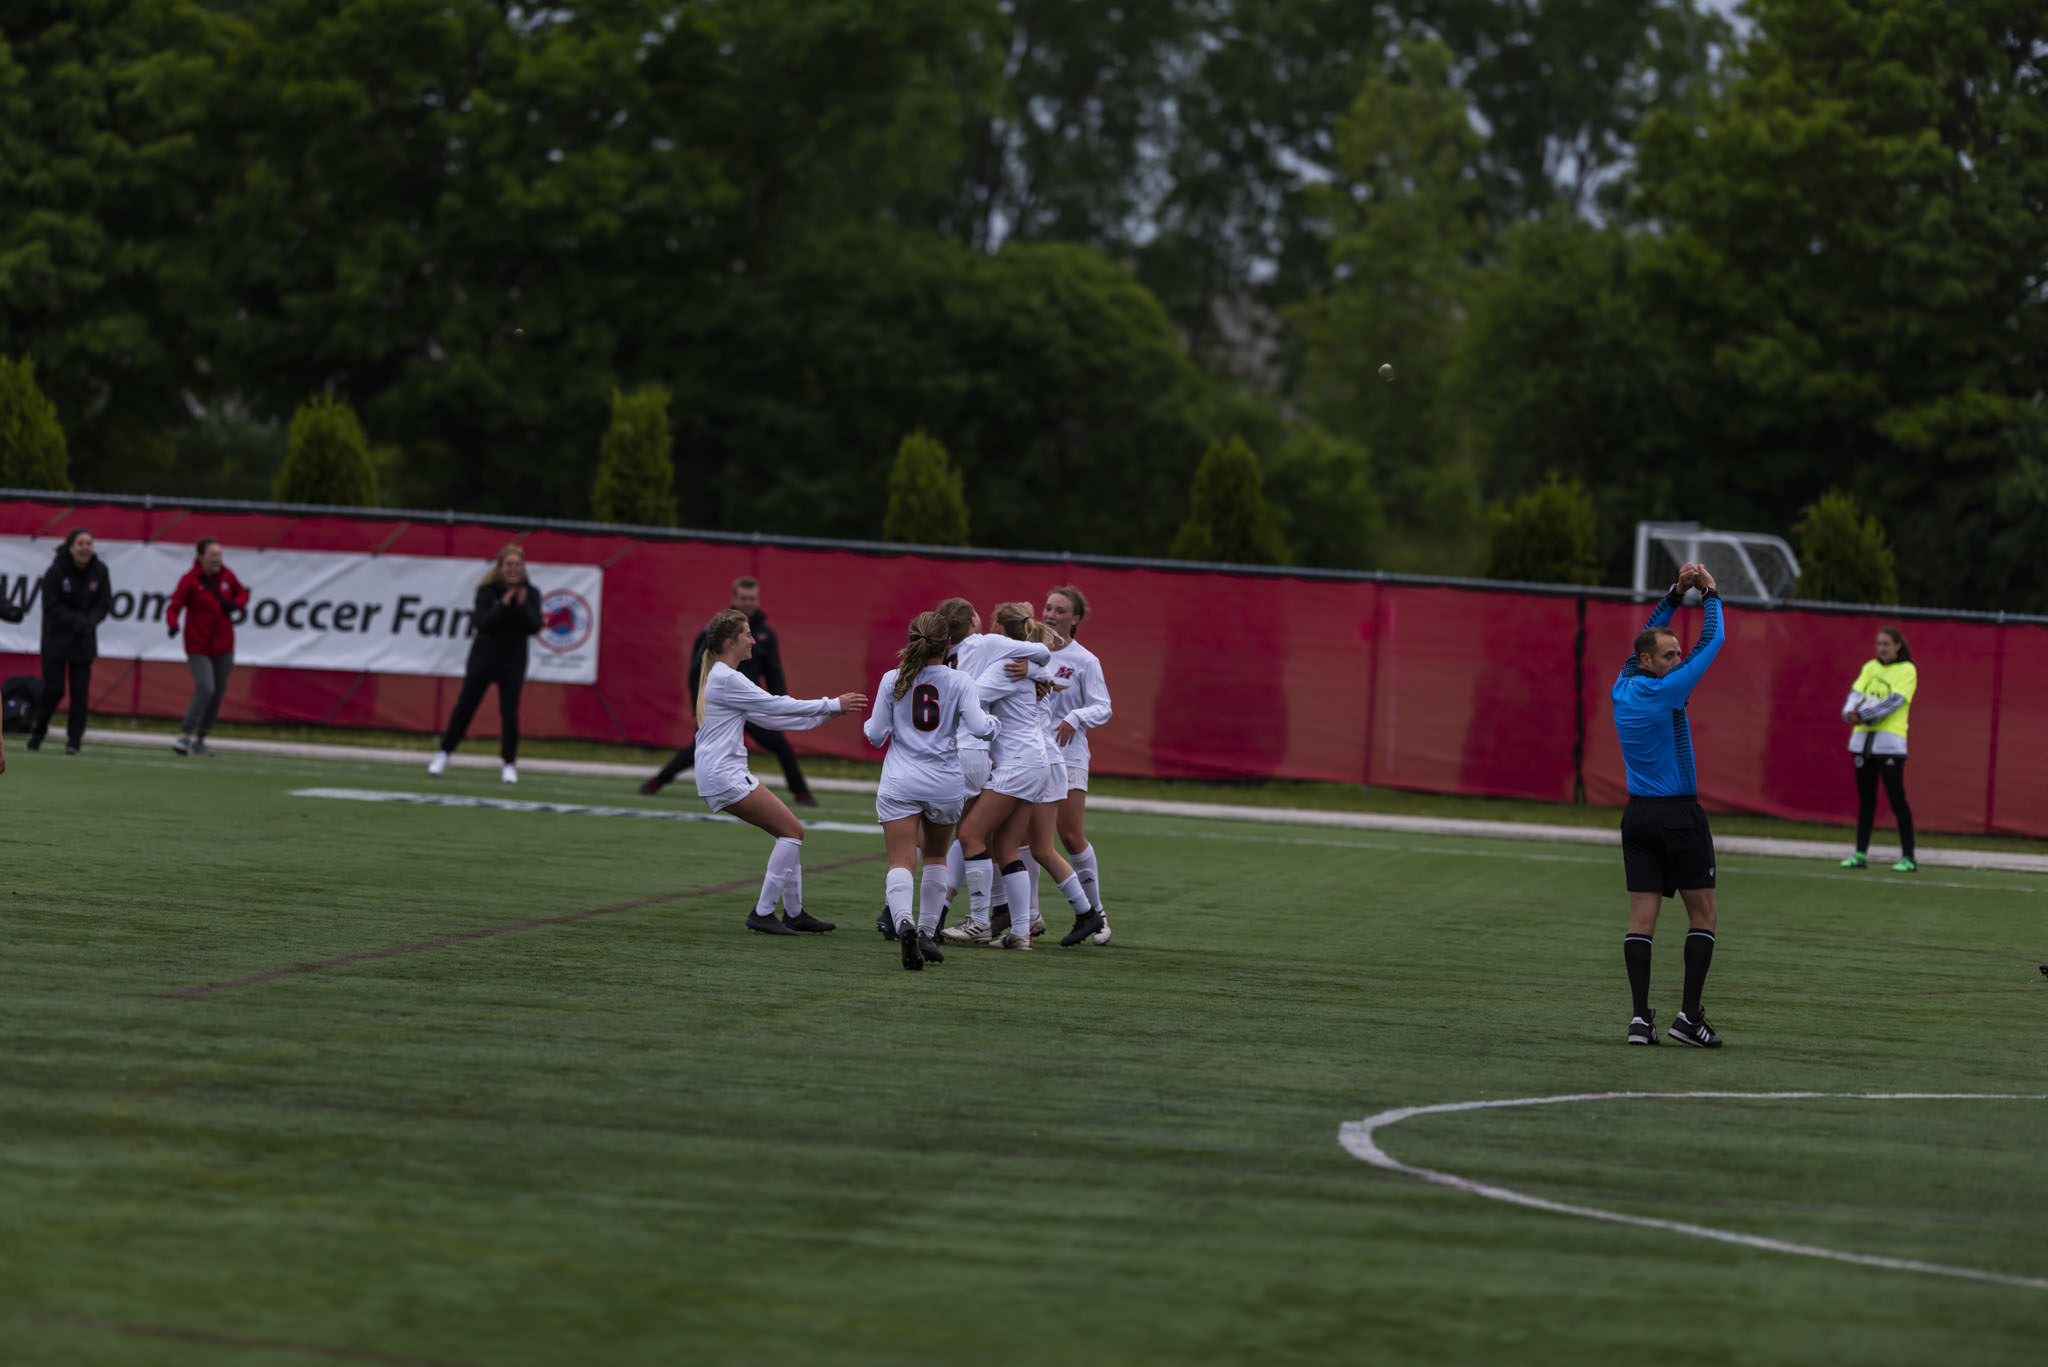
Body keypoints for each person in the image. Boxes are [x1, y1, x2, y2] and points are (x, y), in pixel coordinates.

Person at [691, 607, 866, 936]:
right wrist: (831, 704)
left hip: (719, 774)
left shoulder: (721, 676)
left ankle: (795, 913)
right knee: (792, 832)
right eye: (747, 634)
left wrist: (828, 715)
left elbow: (772, 719)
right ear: (731, 641)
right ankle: (763, 912)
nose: (753, 640)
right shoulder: (728, 678)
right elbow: (776, 705)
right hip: (724, 776)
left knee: (788, 833)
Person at [1612, 563, 1728, 1048]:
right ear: (1647, 663)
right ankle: (1689, 1017)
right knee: (1703, 916)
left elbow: (1645, 636)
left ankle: (1640, 1020)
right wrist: (1710, 594)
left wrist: (1674, 594)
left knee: (1642, 922)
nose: (1679, 660)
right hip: (1678, 814)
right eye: (1669, 655)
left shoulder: (1623, 687)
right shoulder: (1667, 690)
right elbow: (1713, 641)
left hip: (1637, 816)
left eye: (1678, 654)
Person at [941, 604, 1096, 950]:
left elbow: (969, 698)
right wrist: (1036, 674)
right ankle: (1022, 932)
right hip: (1033, 761)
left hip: (1020, 764)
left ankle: (980, 923)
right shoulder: (1022, 665)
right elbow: (1041, 661)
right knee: (1009, 847)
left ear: (1000, 633)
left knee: (969, 834)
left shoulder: (1004, 668)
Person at [864, 611, 1000, 970]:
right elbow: (980, 728)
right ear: (949, 645)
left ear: (911, 641)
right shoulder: (960, 681)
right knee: (937, 857)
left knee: (901, 861)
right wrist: (995, 723)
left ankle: (904, 922)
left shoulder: (892, 679)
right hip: (943, 783)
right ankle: (926, 932)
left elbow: (875, 734)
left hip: (900, 780)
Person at [640, 577, 818, 806]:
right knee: (698, 747)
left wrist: (779, 700)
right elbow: (698, 669)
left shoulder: (765, 634)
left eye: (752, 599)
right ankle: (659, 780)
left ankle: (801, 792)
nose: (748, 603)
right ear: (734, 598)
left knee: (781, 746)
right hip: (722, 704)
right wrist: (700, 702)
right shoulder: (717, 630)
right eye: (743, 598)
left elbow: (774, 671)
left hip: (752, 704)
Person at [426, 546, 545, 784]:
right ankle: (444, 753)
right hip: (484, 658)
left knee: (509, 712)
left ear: (523, 567)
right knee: (465, 706)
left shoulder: (530, 593)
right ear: (501, 567)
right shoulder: (487, 592)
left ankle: (509, 764)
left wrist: (520, 607)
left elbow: (534, 626)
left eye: (517, 565)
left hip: (513, 661)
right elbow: (482, 623)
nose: (513, 569)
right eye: (508, 564)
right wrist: (502, 605)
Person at [1039, 585, 1114, 945]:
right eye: (1048, 608)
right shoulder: (1031, 652)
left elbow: (1103, 706)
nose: (1051, 615)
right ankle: (1026, 919)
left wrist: (1076, 717)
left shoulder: (1085, 660)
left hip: (1068, 755)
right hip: (1031, 755)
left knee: (1069, 835)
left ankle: (1096, 914)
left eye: (1060, 611)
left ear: (1075, 619)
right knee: (1023, 838)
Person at [1839, 626, 1917, 873]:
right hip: (1862, 743)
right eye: (1879, 644)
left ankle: (1908, 857)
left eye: (1886, 644)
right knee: (1866, 802)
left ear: (1898, 646)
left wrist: (1863, 715)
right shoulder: (1870, 668)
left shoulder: (1907, 670)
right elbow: (1855, 694)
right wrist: (1849, 713)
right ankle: (1860, 854)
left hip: (1890, 745)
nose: (1882, 648)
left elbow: (1894, 701)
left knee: (1897, 801)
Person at [29, 529, 112, 755]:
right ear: (71, 547)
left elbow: (104, 604)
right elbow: (51, 606)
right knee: (54, 689)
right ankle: (38, 731)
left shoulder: (100, 571)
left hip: (84, 641)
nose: (86, 547)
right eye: (81, 543)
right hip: (56, 640)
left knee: (80, 692)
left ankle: (74, 740)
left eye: (89, 543)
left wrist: (89, 622)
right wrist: (77, 621)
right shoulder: (55, 572)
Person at [166, 537, 251, 756]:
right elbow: (174, 606)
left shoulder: (227, 576)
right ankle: (185, 735)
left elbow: (243, 593)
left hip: (223, 645)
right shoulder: (190, 580)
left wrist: (236, 604)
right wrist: (173, 625)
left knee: (218, 692)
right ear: (201, 556)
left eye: (220, 555)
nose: (217, 559)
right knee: (206, 687)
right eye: (213, 555)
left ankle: (200, 739)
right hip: (198, 644)